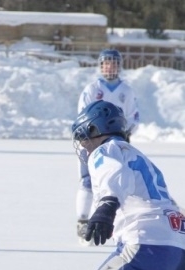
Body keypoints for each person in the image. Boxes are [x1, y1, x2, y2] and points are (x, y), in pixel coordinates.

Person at [70, 100, 185, 269]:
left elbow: (115, 172)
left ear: (94, 128)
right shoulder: (136, 156)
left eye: (83, 136)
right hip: (182, 245)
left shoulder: (105, 150)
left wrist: (107, 205)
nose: (84, 146)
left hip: (148, 241)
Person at [75, 48, 140, 245]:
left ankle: (118, 221)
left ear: (119, 66)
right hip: (92, 140)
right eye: (106, 63)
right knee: (88, 180)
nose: (110, 66)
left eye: (114, 62)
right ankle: (83, 222)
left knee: (119, 179)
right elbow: (82, 115)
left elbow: (133, 116)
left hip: (119, 142)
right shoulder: (92, 89)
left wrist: (125, 132)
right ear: (101, 65)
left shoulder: (126, 91)